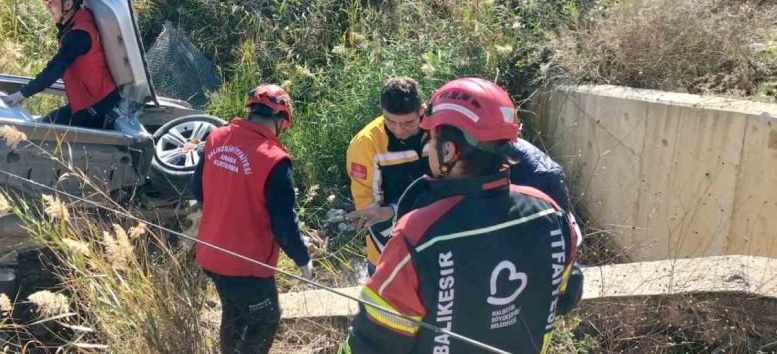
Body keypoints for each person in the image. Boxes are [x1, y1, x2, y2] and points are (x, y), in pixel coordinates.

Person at [339, 78, 580, 354]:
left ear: (449, 150)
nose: (427, 147)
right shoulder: (552, 214)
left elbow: (371, 344)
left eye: (432, 140)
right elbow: (565, 295)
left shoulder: (416, 236)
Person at [192, 84, 312, 354]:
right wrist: (303, 259)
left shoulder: (216, 137)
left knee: (234, 312)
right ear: (281, 121)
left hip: (211, 254)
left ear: (250, 111)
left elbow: (197, 189)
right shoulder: (274, 160)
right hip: (247, 267)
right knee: (265, 320)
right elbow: (284, 225)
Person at [1, 0, 119, 129]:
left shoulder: (79, 34)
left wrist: (22, 94)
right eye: (48, 3)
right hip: (91, 100)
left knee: (45, 130)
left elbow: (55, 69)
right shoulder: (77, 21)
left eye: (53, 3)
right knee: (47, 123)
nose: (49, 8)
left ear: (68, 5)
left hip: (98, 105)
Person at [345, 77, 429, 273]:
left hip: (438, 242)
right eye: (390, 121)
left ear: (422, 111)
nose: (399, 130)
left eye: (408, 123)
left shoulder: (438, 131)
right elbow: (370, 211)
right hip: (386, 247)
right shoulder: (365, 144)